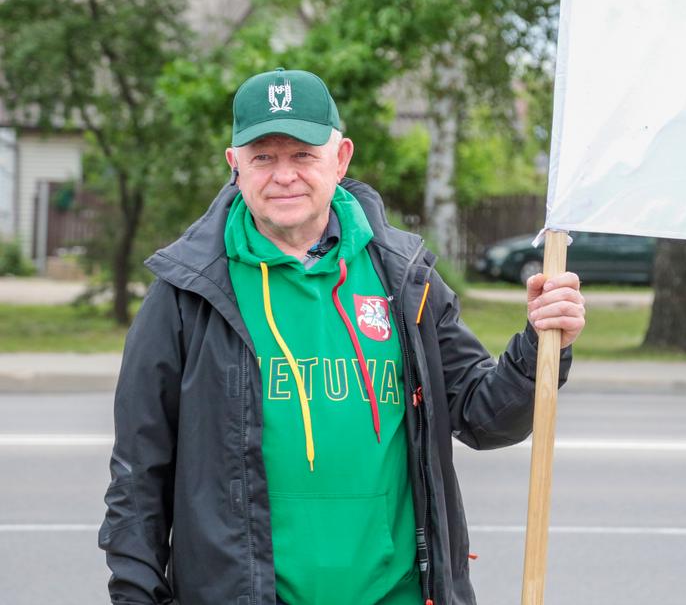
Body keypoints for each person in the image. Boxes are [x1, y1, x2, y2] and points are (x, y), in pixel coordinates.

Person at [98, 68, 586, 605]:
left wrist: (542, 344)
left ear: (341, 158)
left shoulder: (404, 278)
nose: (284, 175)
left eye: (303, 155)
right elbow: (137, 477)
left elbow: (483, 417)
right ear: (234, 166)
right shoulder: (186, 292)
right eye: (264, 157)